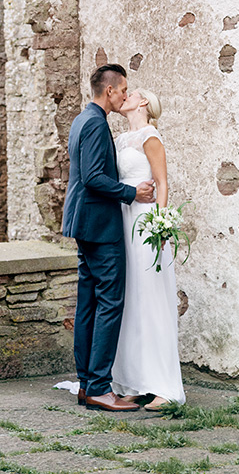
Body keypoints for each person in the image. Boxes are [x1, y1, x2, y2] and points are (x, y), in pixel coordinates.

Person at [62, 64, 155, 412]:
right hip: (99, 226)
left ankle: (87, 384)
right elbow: (93, 178)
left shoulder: (81, 120)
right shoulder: (97, 124)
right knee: (109, 303)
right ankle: (100, 387)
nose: (124, 95)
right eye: (123, 89)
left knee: (87, 304)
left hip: (82, 223)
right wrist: (132, 193)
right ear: (110, 90)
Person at [111, 88, 186, 408]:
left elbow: (162, 182)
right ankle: (132, 381)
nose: (125, 96)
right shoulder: (118, 140)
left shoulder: (150, 137)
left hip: (145, 222)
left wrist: (161, 224)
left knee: (151, 298)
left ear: (144, 103)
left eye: (133, 93)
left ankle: (164, 388)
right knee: (130, 301)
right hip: (124, 219)